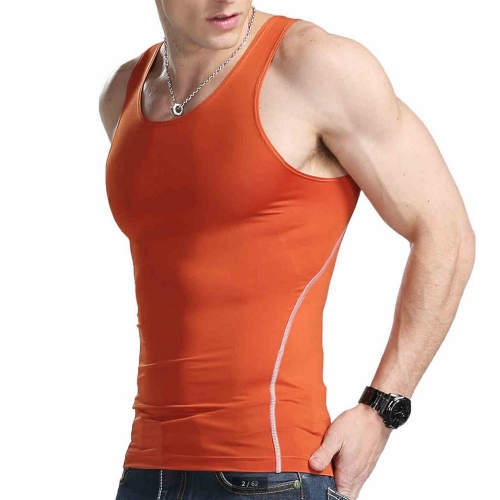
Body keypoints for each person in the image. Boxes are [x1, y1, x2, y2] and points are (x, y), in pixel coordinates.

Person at [99, 1, 475, 499]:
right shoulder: (125, 94)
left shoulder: (315, 67)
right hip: (147, 469)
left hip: (274, 473)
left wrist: (382, 409)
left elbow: (446, 232)